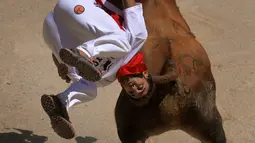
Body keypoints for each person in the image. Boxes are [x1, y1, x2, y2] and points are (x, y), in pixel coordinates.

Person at [41, 0, 148, 139]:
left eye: (132, 93)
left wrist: (60, 66)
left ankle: (60, 103)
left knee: (90, 89)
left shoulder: (103, 79)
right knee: (125, 43)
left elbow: (59, 53)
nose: (134, 89)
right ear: (145, 74)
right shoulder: (138, 39)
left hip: (51, 29)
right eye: (140, 88)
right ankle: (84, 52)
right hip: (76, 7)